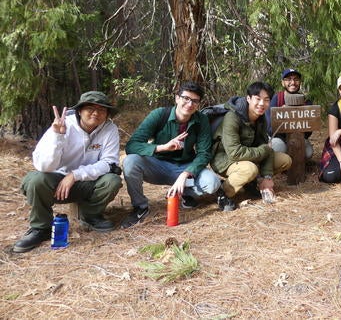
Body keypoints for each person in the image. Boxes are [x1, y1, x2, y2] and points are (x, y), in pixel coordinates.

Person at [14, 91, 122, 253]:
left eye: (102, 109)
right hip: (55, 183)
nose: (96, 113)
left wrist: (75, 175)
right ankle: (40, 228)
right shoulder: (63, 124)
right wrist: (58, 136)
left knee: (112, 180)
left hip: (86, 182)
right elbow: (44, 166)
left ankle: (89, 216)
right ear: (79, 110)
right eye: (90, 108)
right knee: (36, 180)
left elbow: (109, 163)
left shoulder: (109, 129)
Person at [121, 81, 221, 228]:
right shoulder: (159, 115)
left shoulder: (201, 120)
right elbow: (132, 145)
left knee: (212, 182)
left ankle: (187, 194)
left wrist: (186, 173)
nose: (189, 104)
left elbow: (204, 153)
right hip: (157, 166)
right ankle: (140, 207)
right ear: (177, 98)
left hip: (184, 167)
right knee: (130, 161)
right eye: (186, 98)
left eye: (194, 101)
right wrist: (162, 147)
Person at [210, 81, 292, 210]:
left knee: (285, 160)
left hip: (247, 155)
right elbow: (235, 153)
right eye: (258, 99)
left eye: (266, 100)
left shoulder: (260, 117)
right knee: (250, 169)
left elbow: (267, 148)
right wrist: (263, 150)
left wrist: (267, 176)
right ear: (248, 98)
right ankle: (223, 192)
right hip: (224, 159)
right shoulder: (232, 117)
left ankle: (249, 183)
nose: (261, 104)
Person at [267, 68, 314, 159]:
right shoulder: (277, 98)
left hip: (299, 137)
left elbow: (309, 131)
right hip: (279, 138)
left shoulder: (306, 101)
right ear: (283, 83)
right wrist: (283, 116)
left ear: (300, 82)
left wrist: (299, 116)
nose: (293, 83)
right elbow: (269, 127)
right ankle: (282, 164)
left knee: (308, 153)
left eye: (296, 79)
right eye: (288, 79)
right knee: (279, 148)